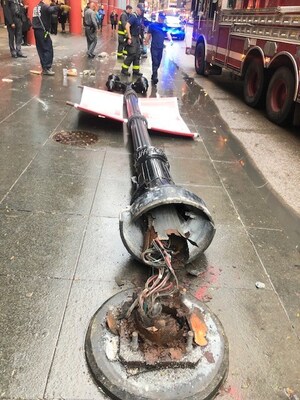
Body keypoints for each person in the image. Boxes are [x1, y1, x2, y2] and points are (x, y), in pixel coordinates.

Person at [32, 0, 61, 75]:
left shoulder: (36, 7)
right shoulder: (44, 6)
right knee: (48, 48)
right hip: (43, 30)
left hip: (36, 30)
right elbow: (51, 9)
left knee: (41, 49)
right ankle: (47, 67)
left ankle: (44, 67)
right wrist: (59, 6)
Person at [145, 12, 172, 84]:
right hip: (154, 47)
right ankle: (155, 77)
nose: (163, 20)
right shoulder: (152, 25)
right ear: (159, 17)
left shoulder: (164, 25)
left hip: (160, 48)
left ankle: (154, 74)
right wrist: (146, 42)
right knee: (155, 61)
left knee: (158, 62)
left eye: (164, 18)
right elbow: (149, 35)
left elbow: (167, 33)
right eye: (162, 18)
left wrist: (171, 40)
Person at [121, 3, 144, 77]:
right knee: (132, 54)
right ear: (137, 9)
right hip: (133, 38)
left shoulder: (138, 17)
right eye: (141, 10)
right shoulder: (133, 17)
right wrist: (129, 37)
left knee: (137, 55)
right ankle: (124, 70)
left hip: (136, 37)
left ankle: (136, 71)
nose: (142, 12)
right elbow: (127, 26)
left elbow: (137, 27)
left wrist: (139, 35)